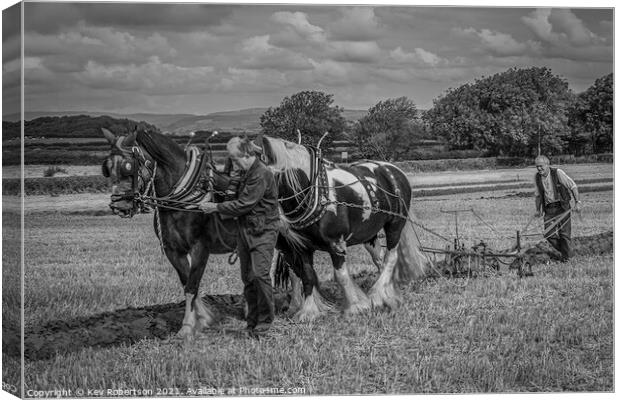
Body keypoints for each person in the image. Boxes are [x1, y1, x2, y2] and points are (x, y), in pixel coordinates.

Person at [198, 136, 279, 336]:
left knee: (260, 276)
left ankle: (265, 321)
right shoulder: (245, 173)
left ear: (246, 155)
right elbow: (233, 196)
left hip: (263, 231)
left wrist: (215, 207)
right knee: (248, 278)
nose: (232, 163)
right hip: (245, 231)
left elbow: (244, 204)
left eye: (234, 159)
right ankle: (251, 320)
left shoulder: (261, 174)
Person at [534, 155, 581, 262]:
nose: (539, 169)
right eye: (537, 167)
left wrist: (578, 202)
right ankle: (567, 253)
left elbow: (573, 186)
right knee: (548, 233)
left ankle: (567, 258)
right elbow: (537, 195)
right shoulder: (537, 177)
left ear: (547, 165)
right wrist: (538, 209)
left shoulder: (557, 173)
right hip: (549, 208)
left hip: (562, 206)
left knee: (564, 234)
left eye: (541, 166)